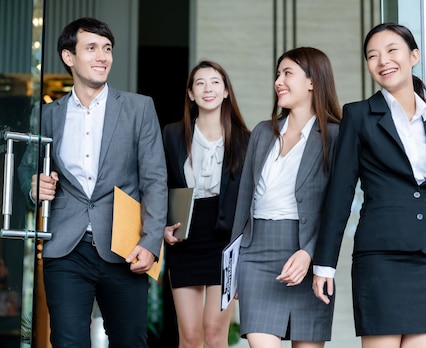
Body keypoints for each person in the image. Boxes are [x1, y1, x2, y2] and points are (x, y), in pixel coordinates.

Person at [312, 23, 426, 348]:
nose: (382, 61)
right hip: (380, 257)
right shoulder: (359, 115)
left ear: (413, 55)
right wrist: (324, 265)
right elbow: (340, 193)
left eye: (391, 51)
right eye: (372, 56)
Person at [18, 17, 167, 347]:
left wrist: (151, 240)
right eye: (92, 48)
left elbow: (155, 179)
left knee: (130, 341)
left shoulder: (139, 108)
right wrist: (33, 186)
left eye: (107, 49)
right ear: (69, 57)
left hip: (125, 247)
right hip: (66, 248)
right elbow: (27, 171)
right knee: (68, 342)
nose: (103, 57)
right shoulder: (46, 115)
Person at [231, 47, 342, 348]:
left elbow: (337, 207)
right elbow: (244, 201)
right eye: (278, 75)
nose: (278, 81)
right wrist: (234, 262)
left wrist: (310, 252)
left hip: (307, 254)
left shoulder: (335, 136)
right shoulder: (263, 133)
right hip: (255, 255)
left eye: (287, 73)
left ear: (312, 81)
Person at [162, 60, 250, 348]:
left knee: (214, 333)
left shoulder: (244, 140)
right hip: (184, 236)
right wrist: (162, 225)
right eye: (199, 83)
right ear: (190, 94)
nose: (207, 88)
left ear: (226, 91)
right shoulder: (172, 135)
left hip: (224, 240)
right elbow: (157, 185)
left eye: (215, 82)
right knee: (189, 336)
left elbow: (251, 199)